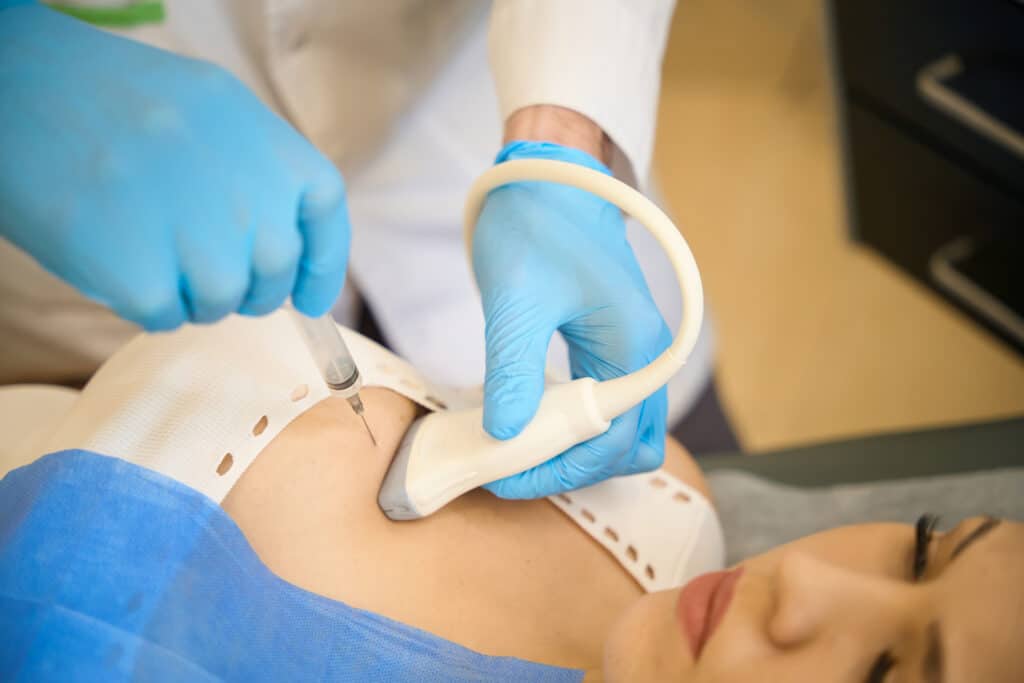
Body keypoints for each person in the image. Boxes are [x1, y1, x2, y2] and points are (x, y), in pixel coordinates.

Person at [0, 313, 1020, 680]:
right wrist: (561, 126)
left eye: (887, 676)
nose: (800, 575)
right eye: (926, 544)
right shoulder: (660, 505)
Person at [0, 0, 742, 503]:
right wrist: (20, 72)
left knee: (669, 484)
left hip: (473, 148)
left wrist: (562, 134)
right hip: (95, 294)